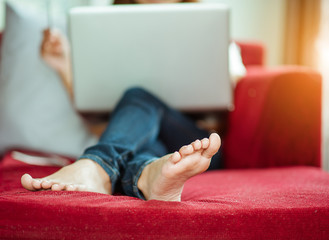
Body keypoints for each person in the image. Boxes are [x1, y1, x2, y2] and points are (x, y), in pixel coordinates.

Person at [21, 0, 226, 202]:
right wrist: (64, 64)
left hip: (198, 145)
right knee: (144, 146)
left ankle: (97, 166)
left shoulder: (207, 25)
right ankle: (148, 177)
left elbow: (225, 108)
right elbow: (96, 117)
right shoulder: (109, 26)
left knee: (139, 96)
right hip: (138, 140)